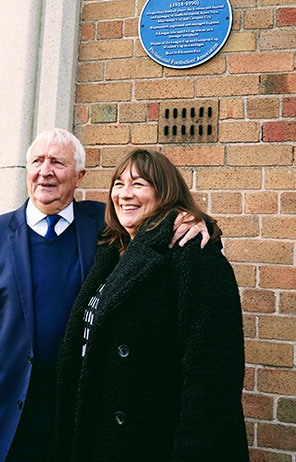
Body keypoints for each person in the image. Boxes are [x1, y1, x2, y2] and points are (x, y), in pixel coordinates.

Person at [0, 129, 209, 462]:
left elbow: (159, 217)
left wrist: (194, 220)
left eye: (58, 162)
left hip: (82, 417)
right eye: (37, 161)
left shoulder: (106, 225)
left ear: (79, 175)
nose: (45, 171)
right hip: (6, 417)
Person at [53, 149, 249, 462]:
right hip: (99, 437)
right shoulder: (112, 252)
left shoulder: (193, 254)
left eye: (139, 184)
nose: (124, 194)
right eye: (118, 184)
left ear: (165, 192)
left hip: (156, 442)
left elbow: (211, 378)